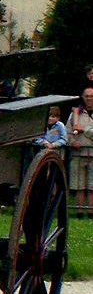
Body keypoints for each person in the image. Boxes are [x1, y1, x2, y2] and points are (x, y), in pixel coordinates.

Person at [66, 88, 93, 217]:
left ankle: (91, 211)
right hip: (78, 154)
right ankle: (79, 211)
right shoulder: (75, 114)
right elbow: (68, 132)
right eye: (86, 96)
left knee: (92, 186)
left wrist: (84, 129)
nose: (89, 98)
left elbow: (82, 130)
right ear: (83, 97)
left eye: (92, 96)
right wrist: (72, 142)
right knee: (79, 185)